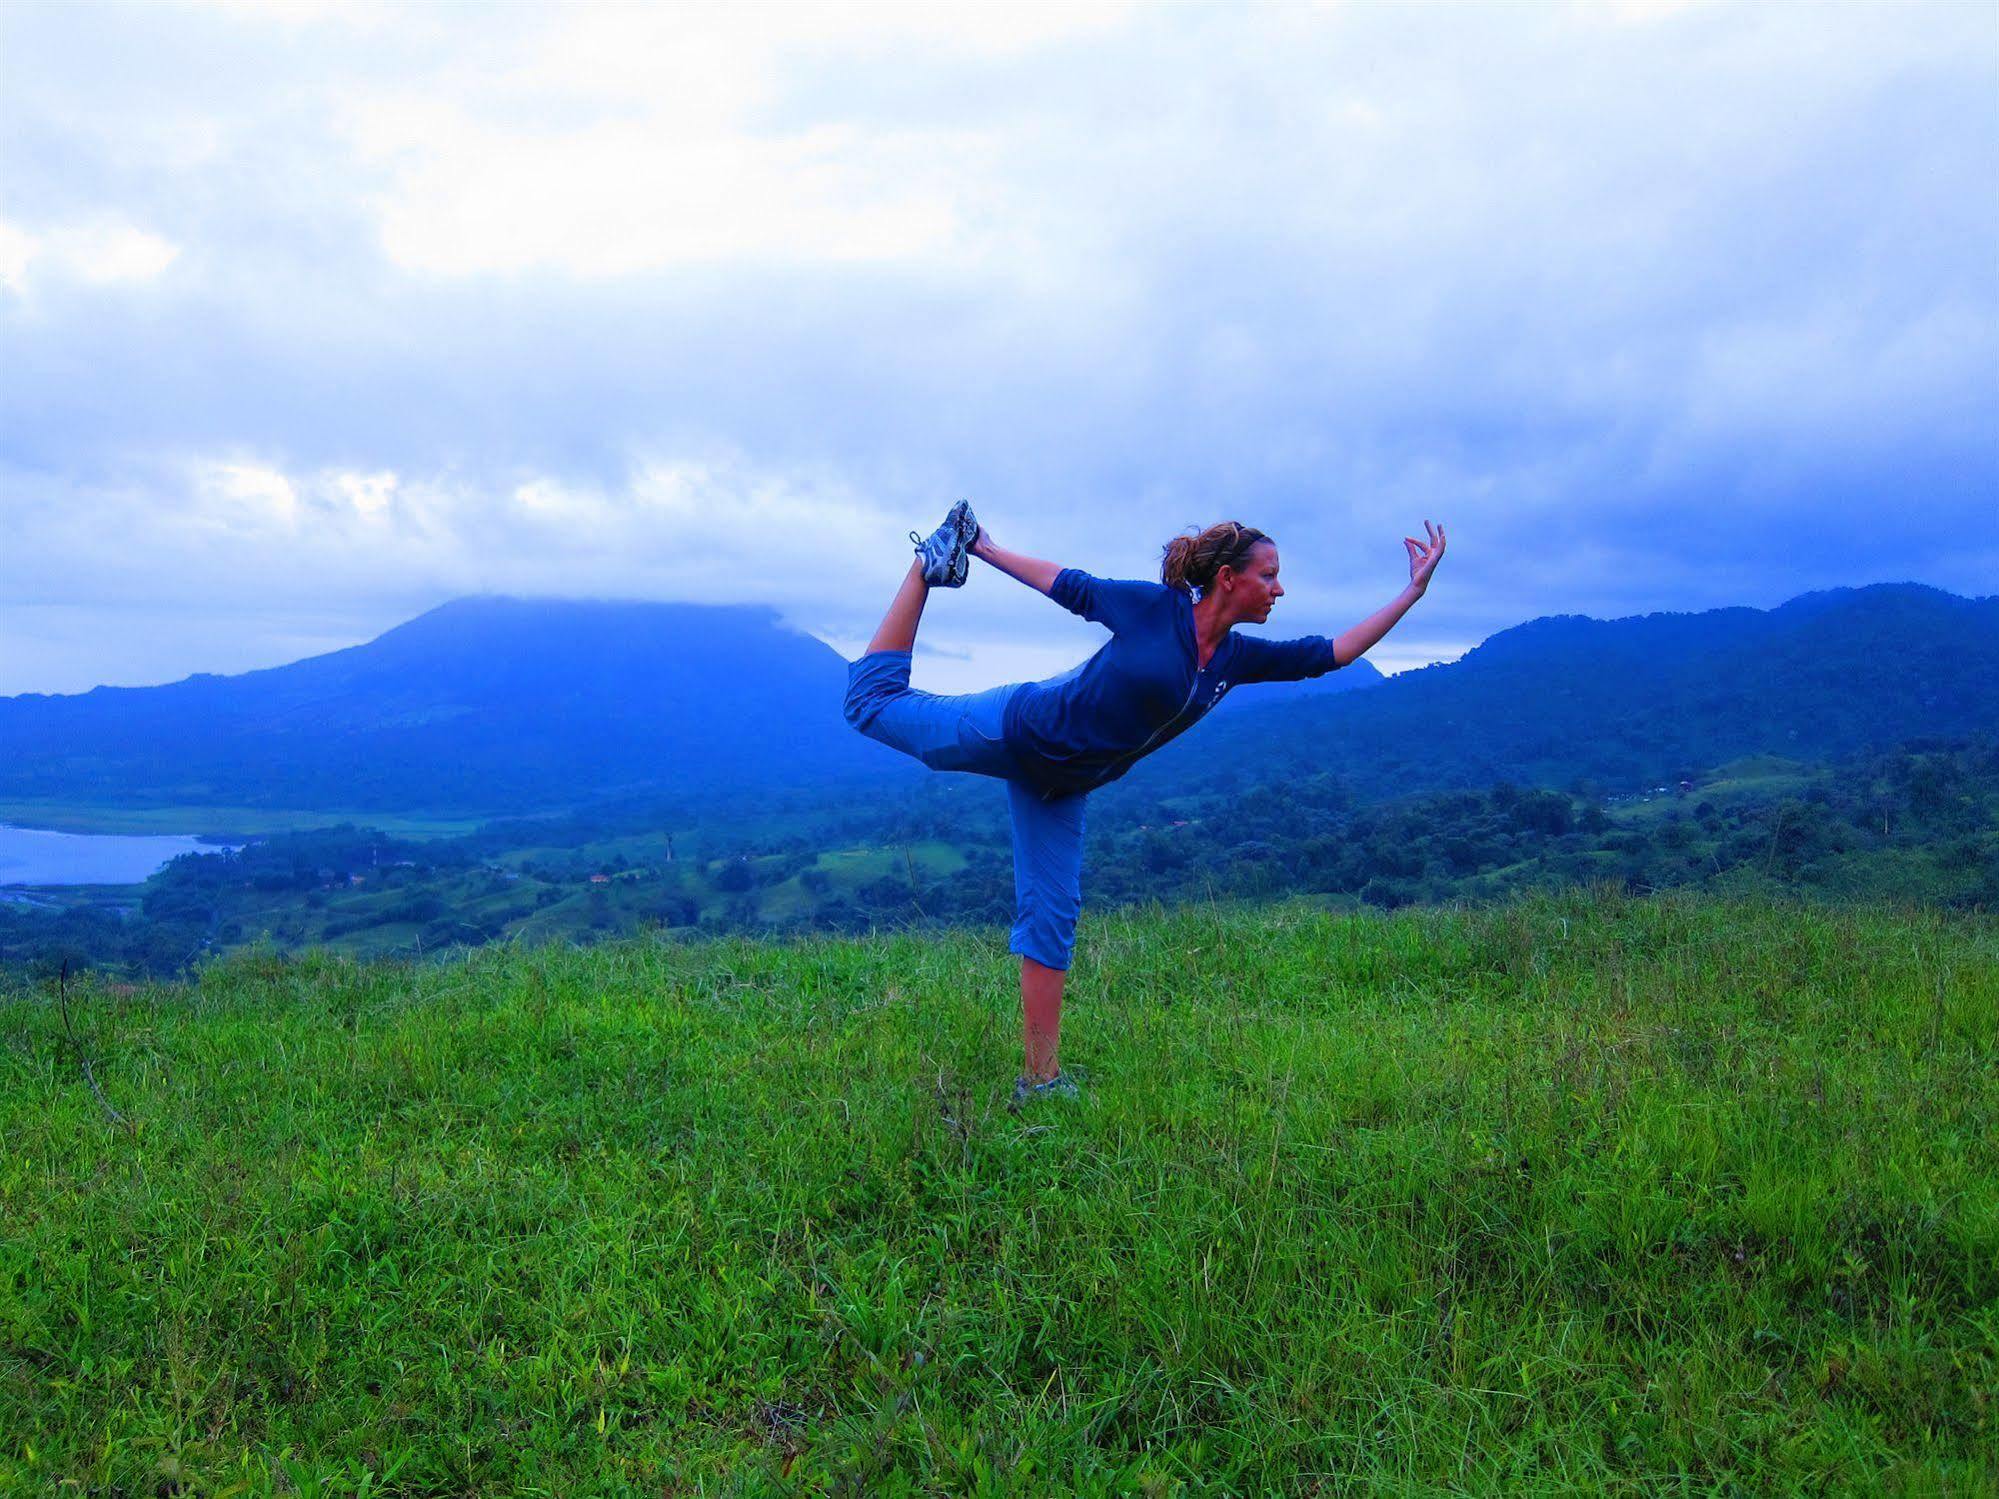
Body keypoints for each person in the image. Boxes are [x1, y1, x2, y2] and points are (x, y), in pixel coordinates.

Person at [843, 502, 1446, 1108]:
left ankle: (1042, 1082)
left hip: (1059, 786)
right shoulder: (1155, 610)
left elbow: (1332, 653)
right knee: (869, 705)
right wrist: (979, 547)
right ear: (1229, 579)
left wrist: (1411, 594)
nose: (1279, 589)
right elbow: (1068, 585)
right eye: (1269, 575)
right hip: (1018, 729)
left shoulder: (1237, 659)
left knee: (1052, 919)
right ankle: (926, 566)